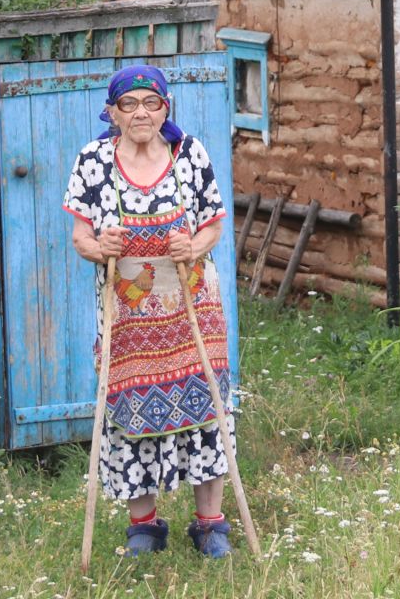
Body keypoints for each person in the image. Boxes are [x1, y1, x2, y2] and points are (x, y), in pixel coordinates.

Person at [64, 65, 234, 558]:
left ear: (166, 108)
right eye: (130, 104)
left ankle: (210, 526)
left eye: (151, 103)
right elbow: (79, 238)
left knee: (207, 412)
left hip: (192, 308)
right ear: (113, 112)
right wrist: (101, 245)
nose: (141, 112)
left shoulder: (189, 154)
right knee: (129, 413)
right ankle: (144, 526)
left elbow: (214, 225)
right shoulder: (94, 161)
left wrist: (192, 244)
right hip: (129, 317)